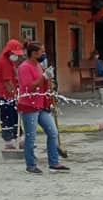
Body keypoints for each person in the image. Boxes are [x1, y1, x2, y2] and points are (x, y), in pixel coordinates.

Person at [17, 42, 68, 174]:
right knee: (31, 137)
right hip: (28, 106)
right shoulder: (24, 67)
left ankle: (54, 163)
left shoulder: (39, 66)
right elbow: (29, 87)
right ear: (34, 53)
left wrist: (49, 79)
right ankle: (30, 165)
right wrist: (44, 77)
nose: (44, 54)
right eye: (41, 52)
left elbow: (44, 85)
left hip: (42, 105)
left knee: (53, 132)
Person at [0, 39, 24, 149]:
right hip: (4, 94)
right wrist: (15, 96)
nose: (16, 56)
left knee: (14, 117)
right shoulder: (4, 61)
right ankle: (9, 142)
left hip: (8, 94)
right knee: (7, 118)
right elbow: (7, 82)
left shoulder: (9, 60)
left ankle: (18, 139)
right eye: (14, 53)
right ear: (9, 51)